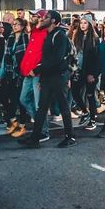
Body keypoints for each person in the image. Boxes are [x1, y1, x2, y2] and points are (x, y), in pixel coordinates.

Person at [20, 10, 76, 148]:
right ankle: (35, 138)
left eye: (46, 17)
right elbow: (47, 58)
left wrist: (38, 69)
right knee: (42, 108)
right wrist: (41, 77)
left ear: (53, 21)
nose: (43, 19)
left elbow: (56, 60)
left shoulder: (60, 36)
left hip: (59, 77)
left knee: (63, 107)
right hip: (48, 77)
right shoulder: (49, 34)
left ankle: (70, 137)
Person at [19, 10, 50, 143]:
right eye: (32, 15)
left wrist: (38, 69)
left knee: (39, 104)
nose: (32, 17)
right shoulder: (33, 32)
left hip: (37, 73)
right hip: (28, 72)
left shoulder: (46, 33)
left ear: (42, 18)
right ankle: (39, 125)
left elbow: (46, 56)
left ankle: (43, 130)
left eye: (35, 16)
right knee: (24, 99)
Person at [0, 17, 28, 138]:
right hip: (10, 72)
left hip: (21, 73)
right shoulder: (9, 38)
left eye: (17, 24)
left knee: (19, 99)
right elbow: (4, 59)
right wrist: (1, 75)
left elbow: (26, 57)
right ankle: (14, 120)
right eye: (14, 24)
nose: (15, 26)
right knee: (5, 97)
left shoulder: (25, 38)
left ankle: (21, 123)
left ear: (22, 26)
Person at [71, 14, 99, 130]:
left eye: (85, 23)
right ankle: (85, 111)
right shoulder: (76, 36)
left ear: (90, 24)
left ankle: (92, 119)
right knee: (75, 92)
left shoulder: (94, 39)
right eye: (81, 23)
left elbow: (97, 58)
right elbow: (73, 54)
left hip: (89, 72)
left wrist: (93, 74)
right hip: (78, 70)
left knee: (90, 95)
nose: (82, 25)